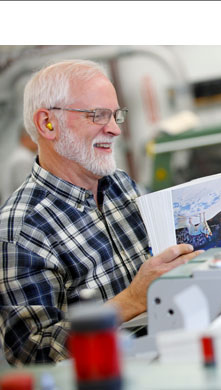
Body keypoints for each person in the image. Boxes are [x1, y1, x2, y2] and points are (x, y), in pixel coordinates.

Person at [0, 60, 204, 366]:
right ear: (47, 124)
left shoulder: (121, 185)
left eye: (116, 115)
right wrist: (131, 301)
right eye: (98, 115)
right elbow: (32, 353)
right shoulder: (21, 231)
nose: (114, 129)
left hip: (174, 352)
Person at [0, 130, 37, 204]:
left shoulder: (21, 154)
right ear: (24, 139)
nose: (36, 141)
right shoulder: (23, 157)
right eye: (33, 137)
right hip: (18, 203)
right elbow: (28, 187)